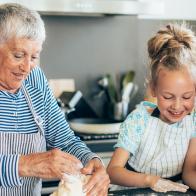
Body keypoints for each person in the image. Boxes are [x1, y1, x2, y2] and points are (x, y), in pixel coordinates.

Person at [0, 3, 109, 196]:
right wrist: (25, 164)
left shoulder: (35, 79)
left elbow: (65, 141)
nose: (26, 67)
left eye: (34, 57)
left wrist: (92, 161)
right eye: (18, 55)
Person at [107, 23, 196, 193]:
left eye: (186, 97)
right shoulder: (139, 120)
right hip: (132, 191)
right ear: (154, 89)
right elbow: (113, 171)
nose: (177, 106)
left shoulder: (193, 121)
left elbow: (189, 172)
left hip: (173, 191)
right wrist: (150, 180)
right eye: (168, 97)